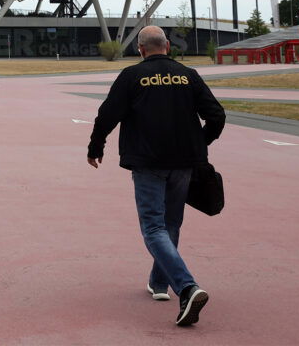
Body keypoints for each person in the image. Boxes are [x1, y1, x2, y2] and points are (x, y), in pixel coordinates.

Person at [87, 25, 225, 327]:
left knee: (153, 227)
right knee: (171, 224)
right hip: (184, 163)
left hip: (148, 162)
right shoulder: (188, 75)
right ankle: (159, 284)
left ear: (140, 49)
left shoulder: (132, 76)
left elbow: (107, 114)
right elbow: (217, 115)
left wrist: (95, 147)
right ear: (166, 46)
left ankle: (187, 287)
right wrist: (200, 143)